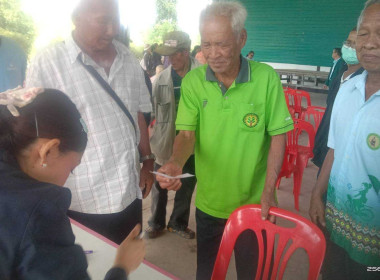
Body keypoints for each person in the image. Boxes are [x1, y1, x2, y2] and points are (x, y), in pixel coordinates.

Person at [155, 2, 294, 279]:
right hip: (209, 204)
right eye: (206, 45)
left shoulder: (265, 78)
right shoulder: (195, 82)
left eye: (221, 44)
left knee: (252, 274)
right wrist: (174, 162)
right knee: (207, 273)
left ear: (241, 39)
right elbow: (187, 134)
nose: (213, 54)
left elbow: (278, 135)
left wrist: (269, 190)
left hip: (255, 204)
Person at [25, 0, 154, 245]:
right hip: (81, 197)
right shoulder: (48, 63)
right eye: (103, 20)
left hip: (128, 190)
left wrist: (147, 160)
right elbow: (35, 133)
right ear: (77, 17)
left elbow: (138, 113)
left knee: (129, 262)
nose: (112, 29)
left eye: (115, 20)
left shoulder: (127, 58)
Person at [0, 87, 145, 280]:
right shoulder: (38, 213)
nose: (68, 178)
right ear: (49, 151)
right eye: (72, 168)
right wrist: (121, 266)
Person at [309, 1, 380, 279]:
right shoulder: (347, 88)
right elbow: (334, 149)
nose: (370, 43)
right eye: (364, 33)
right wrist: (317, 193)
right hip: (335, 224)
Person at [146, 31, 200, 239]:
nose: (167, 59)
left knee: (186, 186)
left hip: (192, 142)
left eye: (172, 54)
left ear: (185, 52)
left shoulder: (204, 75)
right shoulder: (160, 79)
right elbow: (151, 111)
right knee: (160, 186)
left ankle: (177, 223)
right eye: (166, 55)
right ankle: (155, 223)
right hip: (164, 141)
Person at [312, 28, 364, 171]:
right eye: (348, 42)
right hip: (327, 146)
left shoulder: (364, 82)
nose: (349, 47)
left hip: (345, 156)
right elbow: (330, 113)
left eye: (355, 44)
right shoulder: (339, 77)